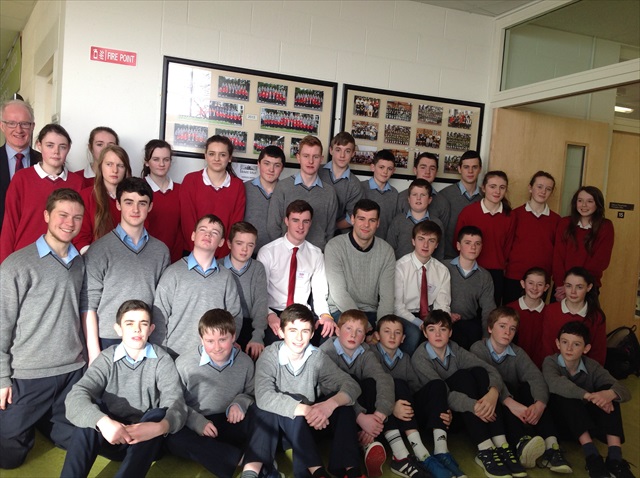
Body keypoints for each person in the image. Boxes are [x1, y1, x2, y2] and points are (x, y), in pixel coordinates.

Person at [0, 188, 85, 469]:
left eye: (77, 217)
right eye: (63, 215)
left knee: (76, 440)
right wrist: (2, 379)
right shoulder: (16, 265)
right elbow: (1, 324)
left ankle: (44, 418)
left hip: (71, 370)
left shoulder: (80, 263)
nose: (69, 223)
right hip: (30, 373)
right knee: (9, 458)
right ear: (47, 215)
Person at [60, 300, 187, 478]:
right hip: (112, 435)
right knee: (91, 415)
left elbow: (176, 402)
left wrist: (160, 427)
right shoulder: (106, 358)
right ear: (118, 329)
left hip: (147, 440)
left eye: (143, 324)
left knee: (158, 413)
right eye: (129, 324)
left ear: (151, 329)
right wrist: (102, 422)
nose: (137, 329)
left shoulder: (162, 360)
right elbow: (76, 396)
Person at [241, 304, 365, 478]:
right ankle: (316, 472)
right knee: (281, 403)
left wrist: (328, 406)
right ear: (281, 332)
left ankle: (350, 470)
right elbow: (263, 396)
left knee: (343, 406)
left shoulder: (317, 357)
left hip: (311, 425)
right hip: (279, 431)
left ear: (312, 334)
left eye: (305, 331)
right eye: (293, 330)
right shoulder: (270, 355)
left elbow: (351, 385)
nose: (299, 337)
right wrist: (306, 410)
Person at [412, 310, 525, 478]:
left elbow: (490, 370)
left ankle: (501, 445)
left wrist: (493, 392)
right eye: (432, 329)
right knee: (461, 377)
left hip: (462, 412)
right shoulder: (420, 357)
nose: (438, 334)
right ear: (425, 332)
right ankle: (485, 448)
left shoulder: (455, 349)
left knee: (479, 372)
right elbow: (442, 393)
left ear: (450, 332)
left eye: (443, 329)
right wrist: (475, 406)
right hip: (438, 416)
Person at [471, 307, 571, 473]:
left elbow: (536, 377)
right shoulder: (478, 349)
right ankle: (520, 443)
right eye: (502, 326)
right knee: (504, 386)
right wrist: (510, 403)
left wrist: (539, 405)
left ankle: (552, 447)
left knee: (530, 389)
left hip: (517, 404)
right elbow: (489, 377)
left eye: (512, 328)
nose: (507, 332)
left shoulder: (518, 353)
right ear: (490, 328)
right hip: (493, 403)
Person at [81, 177, 170, 363]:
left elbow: (163, 302)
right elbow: (88, 304)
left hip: (145, 337)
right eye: (129, 202)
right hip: (108, 339)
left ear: (150, 207)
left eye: (142, 203)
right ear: (118, 204)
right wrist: (94, 353)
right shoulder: (99, 249)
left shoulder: (160, 250)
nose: (135, 209)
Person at [166, 309, 255, 478]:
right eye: (210, 341)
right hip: (197, 422)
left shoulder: (245, 362)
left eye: (223, 339)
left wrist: (240, 403)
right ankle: (242, 460)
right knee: (172, 436)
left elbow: (252, 392)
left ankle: (220, 453)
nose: (217, 347)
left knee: (259, 417)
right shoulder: (183, 363)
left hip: (230, 420)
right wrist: (196, 422)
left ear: (233, 337)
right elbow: (174, 401)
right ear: (201, 339)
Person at [371, 315, 460, 478]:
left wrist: (441, 407)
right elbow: (369, 390)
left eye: (397, 332)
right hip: (381, 414)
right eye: (387, 331)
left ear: (403, 338)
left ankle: (441, 451)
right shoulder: (371, 354)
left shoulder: (405, 358)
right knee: (395, 383)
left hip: (406, 413)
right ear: (377, 335)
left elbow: (416, 390)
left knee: (436, 385)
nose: (392, 336)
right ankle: (421, 453)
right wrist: (391, 406)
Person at [543, 321, 633, 478]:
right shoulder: (550, 362)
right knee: (566, 392)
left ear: (586, 348)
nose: (569, 348)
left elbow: (624, 390)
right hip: (562, 424)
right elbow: (555, 383)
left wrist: (609, 394)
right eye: (565, 342)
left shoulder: (592, 366)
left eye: (576, 344)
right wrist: (589, 396)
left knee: (609, 392)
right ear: (558, 344)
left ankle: (615, 459)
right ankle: (592, 456)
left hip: (587, 423)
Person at [152, 214, 241, 357]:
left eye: (214, 232)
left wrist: (227, 344)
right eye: (203, 229)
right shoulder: (173, 273)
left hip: (213, 355)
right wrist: (161, 354)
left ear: (221, 242)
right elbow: (159, 315)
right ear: (193, 235)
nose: (208, 234)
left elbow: (235, 315)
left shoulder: (226, 277)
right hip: (175, 354)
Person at [320, 310, 395, 477]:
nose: (353, 335)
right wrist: (361, 418)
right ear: (337, 330)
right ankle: (352, 464)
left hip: (362, 415)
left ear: (364, 337)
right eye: (348, 329)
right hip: (333, 413)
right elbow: (328, 390)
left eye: (359, 331)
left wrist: (378, 416)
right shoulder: (325, 353)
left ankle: (366, 439)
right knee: (347, 385)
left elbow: (384, 379)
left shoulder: (366, 353)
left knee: (371, 383)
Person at [257, 200, 336, 345]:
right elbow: (259, 293)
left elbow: (319, 292)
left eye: (306, 221)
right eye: (295, 220)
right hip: (276, 311)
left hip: (302, 312)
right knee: (274, 342)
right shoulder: (268, 252)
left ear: (310, 223)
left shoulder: (316, 254)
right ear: (286, 221)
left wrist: (325, 315)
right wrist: (269, 315)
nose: (301, 226)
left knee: (327, 336)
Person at [1, 123, 83, 262]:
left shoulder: (77, 182)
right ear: (39, 145)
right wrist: (5, 263)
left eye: (62, 147)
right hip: (24, 257)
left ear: (68, 148)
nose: (56, 152)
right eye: (50, 145)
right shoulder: (22, 178)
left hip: (63, 259)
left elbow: (80, 226)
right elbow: (10, 225)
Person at [325, 199, 396, 331]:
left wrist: (382, 329)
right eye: (361, 219)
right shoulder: (335, 246)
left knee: (408, 334)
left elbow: (387, 297)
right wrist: (364, 327)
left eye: (372, 220)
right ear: (352, 219)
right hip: (341, 310)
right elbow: (339, 293)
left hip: (372, 312)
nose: (366, 225)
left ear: (378, 223)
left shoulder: (386, 251)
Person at [266, 135, 338, 250]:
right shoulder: (283, 187)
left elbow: (330, 231)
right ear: (298, 157)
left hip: (317, 255)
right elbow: (273, 226)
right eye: (306, 156)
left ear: (321, 159)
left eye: (315, 157)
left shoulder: (329, 192)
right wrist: (283, 252)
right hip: (286, 254)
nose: (310, 161)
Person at [454, 170, 515, 306]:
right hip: (470, 269)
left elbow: (508, 246)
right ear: (483, 188)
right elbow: (457, 243)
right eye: (492, 186)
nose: (497, 191)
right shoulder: (468, 212)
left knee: (491, 313)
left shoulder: (510, 216)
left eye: (502, 187)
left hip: (496, 273)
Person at [180, 134, 246, 258]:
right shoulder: (190, 180)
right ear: (205, 156)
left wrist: (221, 253)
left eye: (222, 155)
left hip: (223, 254)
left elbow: (236, 224)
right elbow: (187, 221)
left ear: (229, 158)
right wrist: (200, 251)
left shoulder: (238, 186)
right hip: (193, 252)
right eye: (211, 154)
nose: (216, 159)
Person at [394, 220, 451, 354]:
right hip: (405, 314)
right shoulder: (400, 267)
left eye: (431, 241)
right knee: (414, 333)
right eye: (421, 239)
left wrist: (440, 324)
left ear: (437, 245)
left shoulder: (442, 270)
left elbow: (443, 305)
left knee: (446, 332)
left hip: (431, 315)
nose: (425, 245)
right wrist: (420, 323)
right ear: (413, 241)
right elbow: (397, 307)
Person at [503, 171, 559, 304]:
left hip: (541, 280)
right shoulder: (514, 215)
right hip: (515, 276)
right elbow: (506, 245)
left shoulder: (557, 220)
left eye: (548, 189)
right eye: (539, 187)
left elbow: (558, 252)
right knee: (510, 313)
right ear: (530, 188)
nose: (543, 191)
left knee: (537, 314)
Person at [552, 186, 614, 300]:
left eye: (589, 201)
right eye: (580, 200)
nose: (584, 205)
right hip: (563, 286)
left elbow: (600, 261)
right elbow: (558, 257)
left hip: (588, 287)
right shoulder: (564, 223)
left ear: (598, 204)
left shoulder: (605, 226)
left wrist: (578, 286)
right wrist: (562, 285)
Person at [221, 221, 269, 359]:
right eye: (239, 243)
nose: (245, 249)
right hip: (223, 326)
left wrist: (257, 336)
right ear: (229, 244)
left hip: (250, 325)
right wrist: (229, 339)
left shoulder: (257, 268)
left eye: (250, 245)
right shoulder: (218, 266)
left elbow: (260, 304)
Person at [540, 267, 606, 366]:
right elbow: (547, 346)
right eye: (568, 286)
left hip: (584, 370)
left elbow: (598, 353)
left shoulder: (596, 317)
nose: (573, 291)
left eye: (579, 287)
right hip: (554, 368)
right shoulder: (551, 310)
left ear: (589, 287)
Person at [73, 144, 132, 252]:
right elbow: (80, 239)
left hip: (128, 258)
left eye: (120, 165)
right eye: (109, 164)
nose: (115, 170)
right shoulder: (86, 196)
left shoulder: (133, 197)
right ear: (100, 166)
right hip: (94, 257)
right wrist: (96, 259)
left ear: (126, 169)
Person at [445, 226, 496, 350]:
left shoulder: (484, 276)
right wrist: (445, 313)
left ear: (481, 247)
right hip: (442, 319)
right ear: (458, 246)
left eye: (477, 244)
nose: (473, 247)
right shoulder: (443, 266)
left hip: (467, 323)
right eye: (467, 243)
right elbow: (428, 295)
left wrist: (486, 336)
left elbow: (488, 309)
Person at [0, 99, 41, 231]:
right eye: (12, 123)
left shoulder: (45, 161)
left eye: (24, 124)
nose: (18, 130)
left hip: (34, 238)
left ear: (32, 126)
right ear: (2, 126)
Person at [141, 139, 182, 263]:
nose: (161, 164)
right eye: (156, 159)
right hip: (144, 258)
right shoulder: (137, 189)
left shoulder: (181, 190)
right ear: (146, 162)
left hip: (175, 259)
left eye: (166, 159)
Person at [437, 151, 482, 259]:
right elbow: (438, 230)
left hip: (476, 259)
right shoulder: (444, 195)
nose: (470, 171)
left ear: (480, 169)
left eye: (474, 167)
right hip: (448, 258)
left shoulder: (486, 197)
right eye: (466, 167)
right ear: (459, 169)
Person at [387, 179, 445, 260]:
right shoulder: (398, 221)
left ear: (429, 200)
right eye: (414, 194)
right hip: (401, 266)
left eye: (423, 195)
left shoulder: (437, 223)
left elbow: (439, 255)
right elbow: (389, 250)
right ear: (409, 199)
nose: (418, 198)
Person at [318, 132, 363, 233]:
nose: (342, 155)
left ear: (353, 153)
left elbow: (353, 217)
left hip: (337, 234)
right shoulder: (317, 172)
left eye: (347, 151)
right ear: (331, 150)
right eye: (338, 150)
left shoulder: (355, 185)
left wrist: (331, 227)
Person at [244, 145, 285, 254]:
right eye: (266, 163)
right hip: (247, 253)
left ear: (282, 168)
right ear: (258, 164)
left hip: (277, 254)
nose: (271, 169)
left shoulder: (286, 192)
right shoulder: (244, 189)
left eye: (277, 165)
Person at [506, 267, 550, 368]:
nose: (534, 288)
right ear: (523, 284)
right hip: (512, 364)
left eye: (540, 284)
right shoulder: (509, 309)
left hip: (539, 366)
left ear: (546, 287)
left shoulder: (549, 313)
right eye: (530, 283)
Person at [397, 152, 449, 230]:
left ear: (436, 173)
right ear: (415, 170)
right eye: (423, 167)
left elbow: (442, 232)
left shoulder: (443, 202)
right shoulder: (401, 197)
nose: (427, 172)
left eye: (432, 168)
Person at [360, 149, 399, 240]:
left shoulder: (394, 193)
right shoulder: (361, 188)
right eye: (381, 167)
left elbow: (394, 222)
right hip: (362, 240)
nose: (385, 172)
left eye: (389, 169)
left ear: (393, 171)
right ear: (373, 167)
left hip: (384, 242)